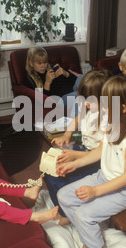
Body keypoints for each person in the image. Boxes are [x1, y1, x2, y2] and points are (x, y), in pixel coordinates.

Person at [56, 75, 126, 248]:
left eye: (105, 106)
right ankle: (89, 232)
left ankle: (95, 246)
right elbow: (100, 151)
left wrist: (95, 191)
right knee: (64, 195)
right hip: (103, 176)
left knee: (84, 214)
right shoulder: (111, 123)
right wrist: (76, 163)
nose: (101, 110)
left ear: (122, 108)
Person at [46, 69, 110, 225]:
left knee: (58, 176)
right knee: (50, 169)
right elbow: (76, 119)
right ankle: (63, 206)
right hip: (84, 152)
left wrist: (74, 157)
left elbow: (102, 152)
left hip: (98, 163)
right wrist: (67, 135)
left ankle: (66, 213)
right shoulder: (88, 109)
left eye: (91, 100)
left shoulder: (109, 119)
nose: (86, 104)